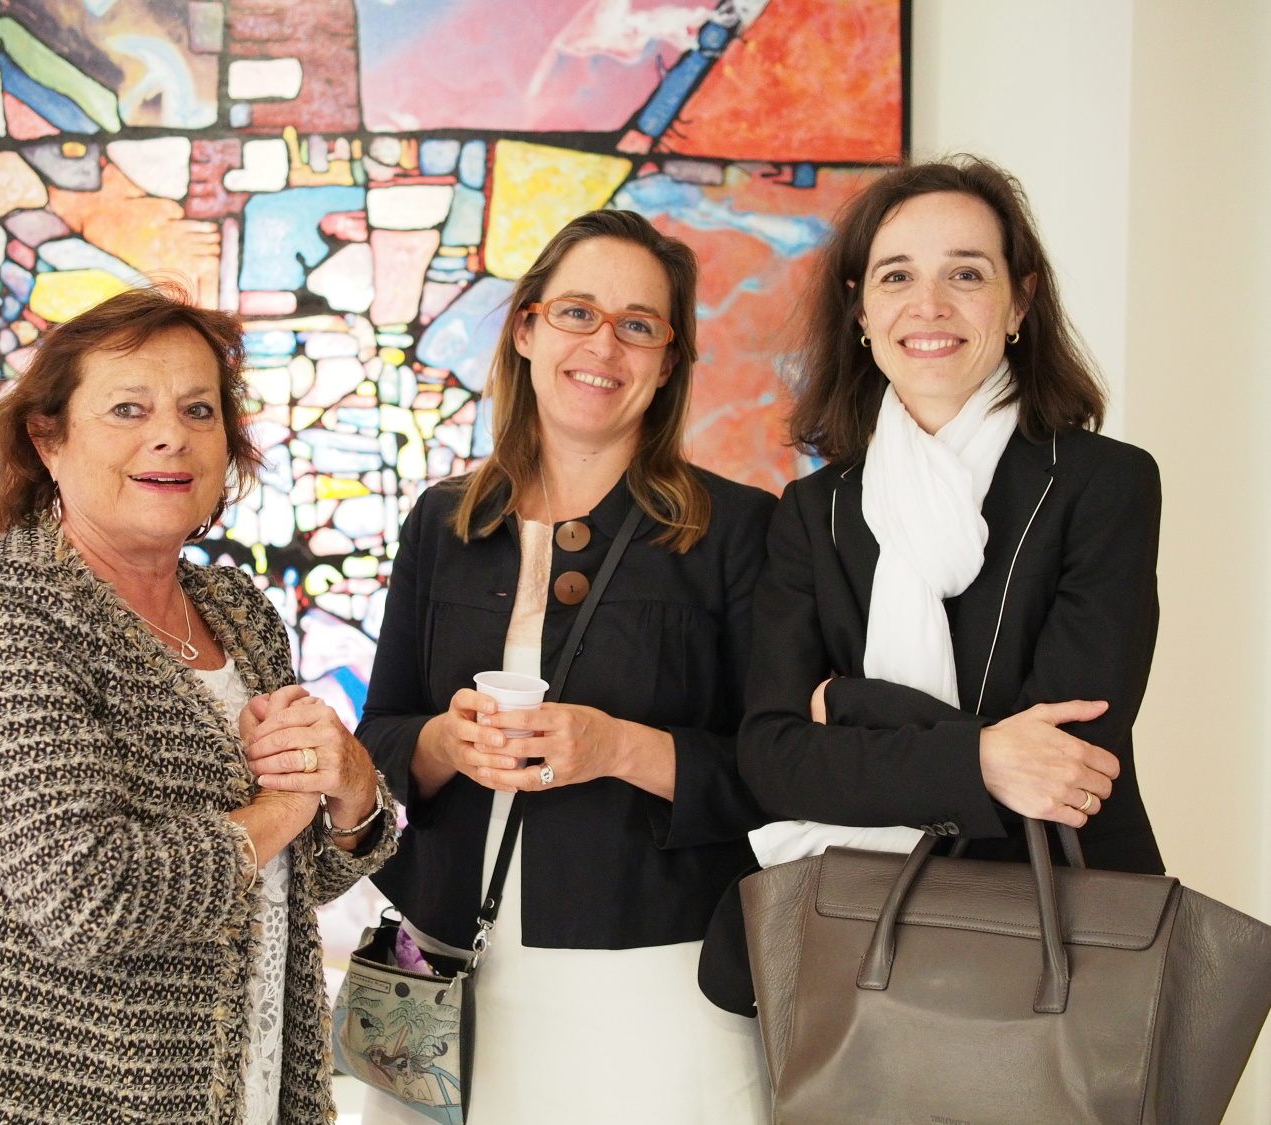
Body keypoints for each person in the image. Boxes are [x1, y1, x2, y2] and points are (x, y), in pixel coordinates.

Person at [0, 285, 396, 1124]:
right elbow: (89, 900)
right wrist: (285, 806)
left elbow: (281, 880)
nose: (171, 434)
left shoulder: (238, 614)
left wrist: (354, 791)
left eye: (198, 409)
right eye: (128, 409)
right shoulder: (3, 618)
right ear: (49, 439)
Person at [709, 156, 1164, 1013]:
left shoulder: (1107, 484)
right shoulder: (814, 511)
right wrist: (983, 756)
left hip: (1058, 955)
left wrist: (850, 707)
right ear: (861, 311)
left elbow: (1066, 758)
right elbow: (771, 758)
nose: (929, 304)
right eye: (897, 276)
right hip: (847, 952)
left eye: (966, 273)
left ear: (1019, 302)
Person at [356, 209, 776, 1123]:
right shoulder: (441, 522)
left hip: (658, 980)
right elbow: (377, 737)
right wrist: (442, 742)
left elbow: (776, 766)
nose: (604, 345)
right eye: (577, 312)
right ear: (527, 329)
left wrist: (617, 747)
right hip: (440, 966)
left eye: (639, 324)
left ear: (668, 360)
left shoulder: (738, 529)